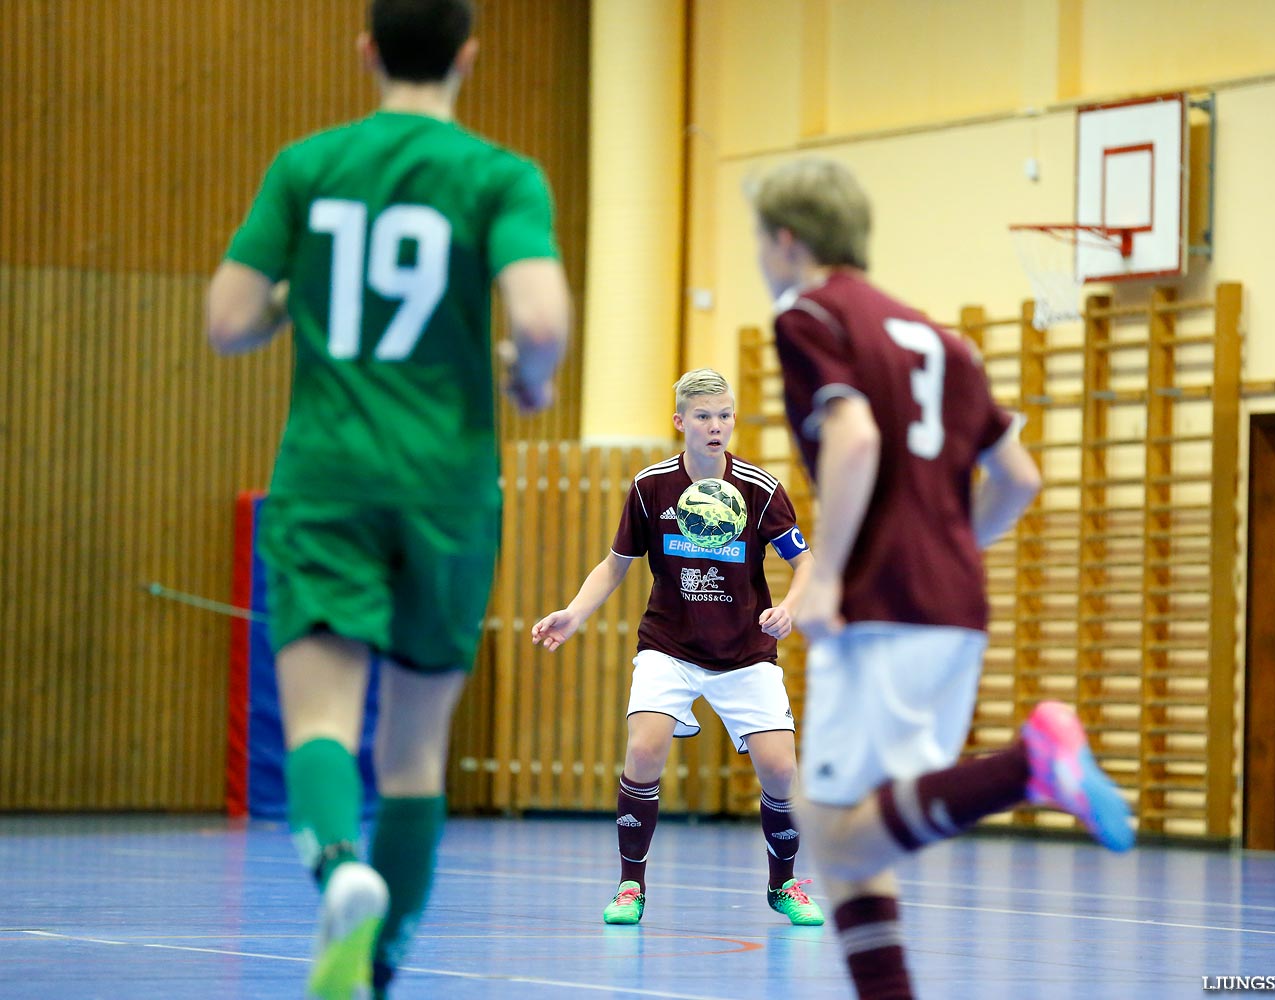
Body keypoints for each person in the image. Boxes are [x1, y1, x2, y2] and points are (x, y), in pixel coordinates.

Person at [204, 1, 571, 996]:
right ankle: (376, 968)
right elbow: (540, 315)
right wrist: (531, 379)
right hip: (448, 491)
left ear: (365, 51)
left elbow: (229, 319)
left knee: (320, 719)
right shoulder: (500, 176)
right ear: (470, 55)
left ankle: (338, 868)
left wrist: (296, 295)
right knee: (412, 754)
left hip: (328, 478)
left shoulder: (308, 166)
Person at [748, 158, 1134, 1000]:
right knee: (845, 832)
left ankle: (1030, 767)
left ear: (785, 240)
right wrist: (950, 549)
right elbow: (1022, 478)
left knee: (836, 833)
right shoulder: (943, 340)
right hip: (955, 604)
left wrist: (832, 579)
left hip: (881, 606)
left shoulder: (809, 314)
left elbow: (852, 440)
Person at [531, 368, 826, 927]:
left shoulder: (761, 491)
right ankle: (629, 887)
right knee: (643, 752)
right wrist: (574, 612)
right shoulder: (650, 488)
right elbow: (617, 564)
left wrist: (789, 608)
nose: (716, 426)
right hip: (669, 646)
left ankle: (783, 884)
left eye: (724, 415)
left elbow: (805, 562)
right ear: (680, 423)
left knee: (781, 772)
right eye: (703, 416)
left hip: (745, 651)